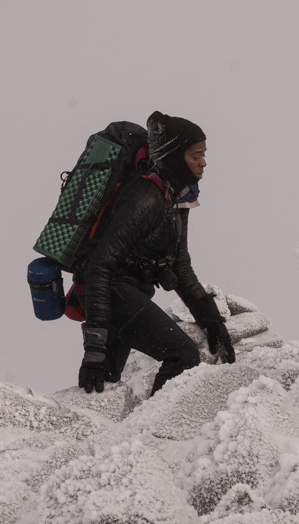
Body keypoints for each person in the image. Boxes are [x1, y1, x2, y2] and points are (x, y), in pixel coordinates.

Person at [77, 111, 235, 396]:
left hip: (128, 293)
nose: (204, 162)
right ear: (174, 154)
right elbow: (98, 267)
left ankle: (110, 435)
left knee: (105, 382)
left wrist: (211, 322)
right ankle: (154, 434)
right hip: (110, 293)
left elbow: (180, 264)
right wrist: (94, 348)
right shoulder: (146, 197)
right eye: (196, 155)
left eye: (204, 154)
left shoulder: (177, 196)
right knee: (183, 355)